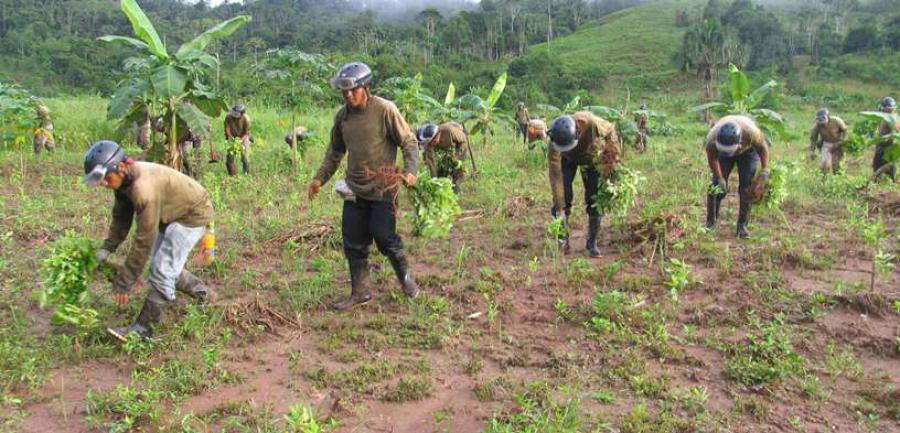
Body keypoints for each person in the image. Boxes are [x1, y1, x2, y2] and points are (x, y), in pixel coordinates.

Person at [308, 62, 420, 311]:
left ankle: (407, 280)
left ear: (366, 87)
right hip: (354, 190)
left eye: (353, 90)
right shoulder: (343, 117)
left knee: (384, 237)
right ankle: (360, 292)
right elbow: (335, 152)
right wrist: (319, 179)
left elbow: (409, 142)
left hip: (383, 188)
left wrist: (411, 171)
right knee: (353, 242)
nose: (348, 95)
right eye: (344, 92)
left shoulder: (385, 110)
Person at [82, 140, 214, 340]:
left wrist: (125, 281)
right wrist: (107, 248)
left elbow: (144, 240)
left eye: (106, 178)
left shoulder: (143, 190)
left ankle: (143, 330)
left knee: (162, 269)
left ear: (121, 167)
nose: (104, 184)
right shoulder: (124, 182)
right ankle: (205, 294)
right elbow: (121, 218)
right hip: (171, 213)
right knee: (162, 265)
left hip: (191, 214)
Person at [547, 111, 622, 258]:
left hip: (591, 157)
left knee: (595, 199)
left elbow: (611, 131)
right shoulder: (555, 139)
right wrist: (559, 204)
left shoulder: (592, 123)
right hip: (567, 160)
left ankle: (592, 243)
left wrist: (612, 155)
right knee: (563, 199)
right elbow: (556, 176)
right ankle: (563, 240)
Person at [703, 115, 770, 238]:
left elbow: (763, 148)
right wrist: (720, 178)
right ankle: (710, 223)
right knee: (716, 187)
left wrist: (765, 171)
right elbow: (712, 159)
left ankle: (742, 226)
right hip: (722, 156)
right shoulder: (712, 139)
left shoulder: (752, 132)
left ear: (740, 143)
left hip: (748, 153)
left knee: (747, 188)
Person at [417, 121, 468, 194]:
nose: (432, 144)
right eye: (430, 143)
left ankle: (456, 191)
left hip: (460, 145)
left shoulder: (450, 131)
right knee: (442, 172)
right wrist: (434, 180)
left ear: (438, 134)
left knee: (456, 170)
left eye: (433, 141)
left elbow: (463, 141)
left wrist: (457, 157)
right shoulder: (430, 144)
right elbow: (431, 163)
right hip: (445, 151)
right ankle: (442, 191)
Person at [808, 108, 848, 175]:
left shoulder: (836, 121)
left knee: (836, 165)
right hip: (826, 144)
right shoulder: (817, 126)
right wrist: (812, 151)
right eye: (819, 119)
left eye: (823, 118)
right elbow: (813, 139)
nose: (822, 121)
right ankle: (823, 180)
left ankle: (837, 179)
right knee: (824, 164)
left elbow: (845, 130)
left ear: (828, 117)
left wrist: (843, 141)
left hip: (838, 144)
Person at [873, 97, 898, 182]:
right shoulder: (884, 117)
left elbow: (897, 129)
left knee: (882, 167)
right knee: (880, 166)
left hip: (887, 146)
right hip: (881, 146)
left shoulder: (892, 118)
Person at [224, 104, 252, 175]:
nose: (234, 116)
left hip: (243, 137)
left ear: (242, 114)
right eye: (233, 113)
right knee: (230, 157)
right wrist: (231, 138)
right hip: (232, 137)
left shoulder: (246, 119)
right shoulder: (228, 117)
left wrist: (240, 141)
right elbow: (227, 129)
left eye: (236, 114)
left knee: (244, 157)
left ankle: (246, 174)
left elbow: (246, 133)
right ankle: (232, 175)